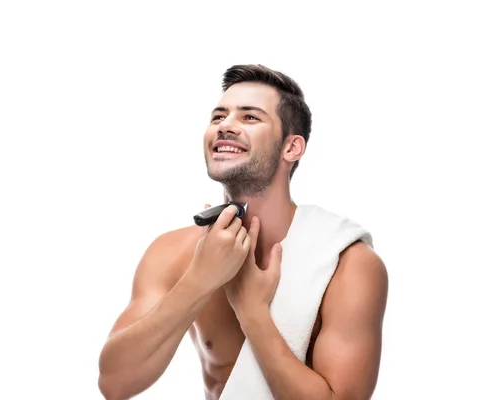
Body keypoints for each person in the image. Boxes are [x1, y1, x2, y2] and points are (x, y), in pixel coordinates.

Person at [98, 64, 388, 400]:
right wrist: (200, 279)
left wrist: (253, 313)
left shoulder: (346, 265)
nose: (225, 126)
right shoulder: (172, 252)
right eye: (218, 116)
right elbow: (114, 384)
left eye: (250, 117)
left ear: (291, 148)